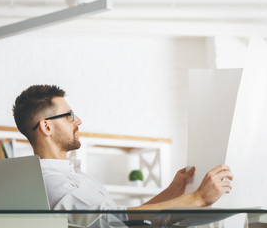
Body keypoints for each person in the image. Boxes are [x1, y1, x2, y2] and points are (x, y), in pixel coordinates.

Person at [13, 84, 233, 210]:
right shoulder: (49, 183)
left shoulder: (76, 177)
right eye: (69, 115)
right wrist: (199, 198)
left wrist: (172, 192)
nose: (78, 120)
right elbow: (115, 220)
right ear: (46, 127)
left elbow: (125, 218)